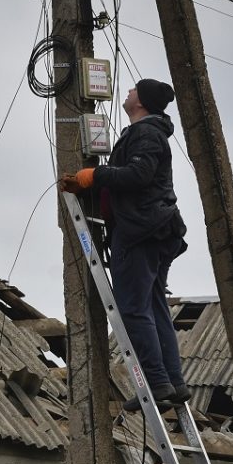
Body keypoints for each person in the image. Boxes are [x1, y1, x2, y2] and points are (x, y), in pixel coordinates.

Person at [60, 78, 191, 411]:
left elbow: (138, 176)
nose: (129, 92)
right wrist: (93, 183)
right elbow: (132, 180)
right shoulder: (146, 133)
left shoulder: (145, 134)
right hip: (156, 229)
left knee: (134, 309)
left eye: (134, 90)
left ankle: (157, 382)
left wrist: (96, 175)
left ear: (142, 102)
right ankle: (173, 383)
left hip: (143, 231)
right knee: (154, 306)